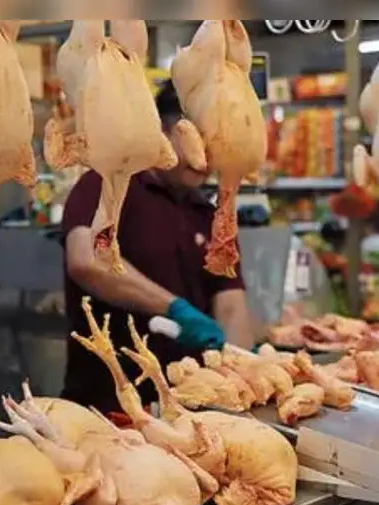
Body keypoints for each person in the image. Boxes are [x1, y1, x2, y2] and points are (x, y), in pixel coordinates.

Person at [59, 80, 255, 413]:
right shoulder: (109, 183)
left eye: (215, 147)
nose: (205, 158)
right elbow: (87, 259)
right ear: (161, 131)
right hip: (110, 404)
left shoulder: (209, 214)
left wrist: (240, 376)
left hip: (190, 406)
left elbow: (232, 305)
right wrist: (174, 308)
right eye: (197, 141)